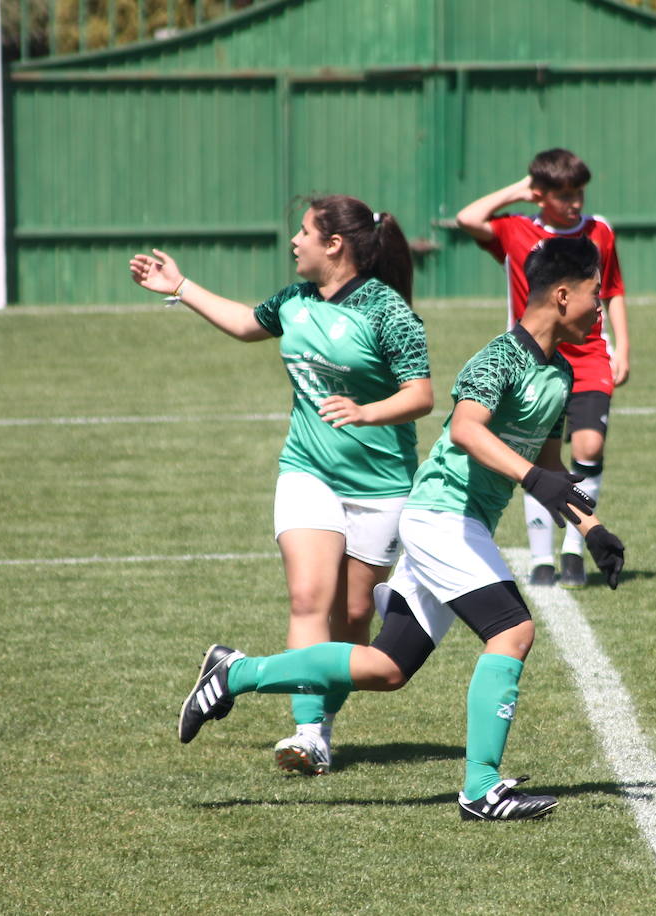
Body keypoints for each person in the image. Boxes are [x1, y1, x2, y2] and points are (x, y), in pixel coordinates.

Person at [175, 237, 627, 821]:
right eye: (596, 294)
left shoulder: (560, 374)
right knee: (513, 633)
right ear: (562, 295)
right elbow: (466, 429)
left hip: (463, 526)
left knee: (388, 668)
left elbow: (545, 467)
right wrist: (532, 479)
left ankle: (235, 673)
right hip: (441, 517)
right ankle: (481, 790)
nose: (600, 307)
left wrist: (591, 527)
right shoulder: (500, 357)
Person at [130, 196, 433, 775]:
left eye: (304, 231)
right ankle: (308, 734)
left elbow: (420, 395)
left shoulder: (388, 311)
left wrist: (366, 412)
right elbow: (247, 324)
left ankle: (247, 676)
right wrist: (180, 286)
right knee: (307, 600)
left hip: (381, 485)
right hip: (307, 472)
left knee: (351, 620)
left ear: (334, 244)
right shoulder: (294, 301)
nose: (294, 241)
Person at [455, 148, 630, 589]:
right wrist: (519, 190)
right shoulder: (516, 231)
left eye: (579, 194)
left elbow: (612, 290)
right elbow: (466, 218)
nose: (574, 203)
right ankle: (541, 558)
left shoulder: (599, 231)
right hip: (536, 359)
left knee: (587, 445)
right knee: (537, 454)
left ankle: (574, 545)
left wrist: (622, 347)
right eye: (563, 194)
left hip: (589, 356)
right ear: (541, 195)